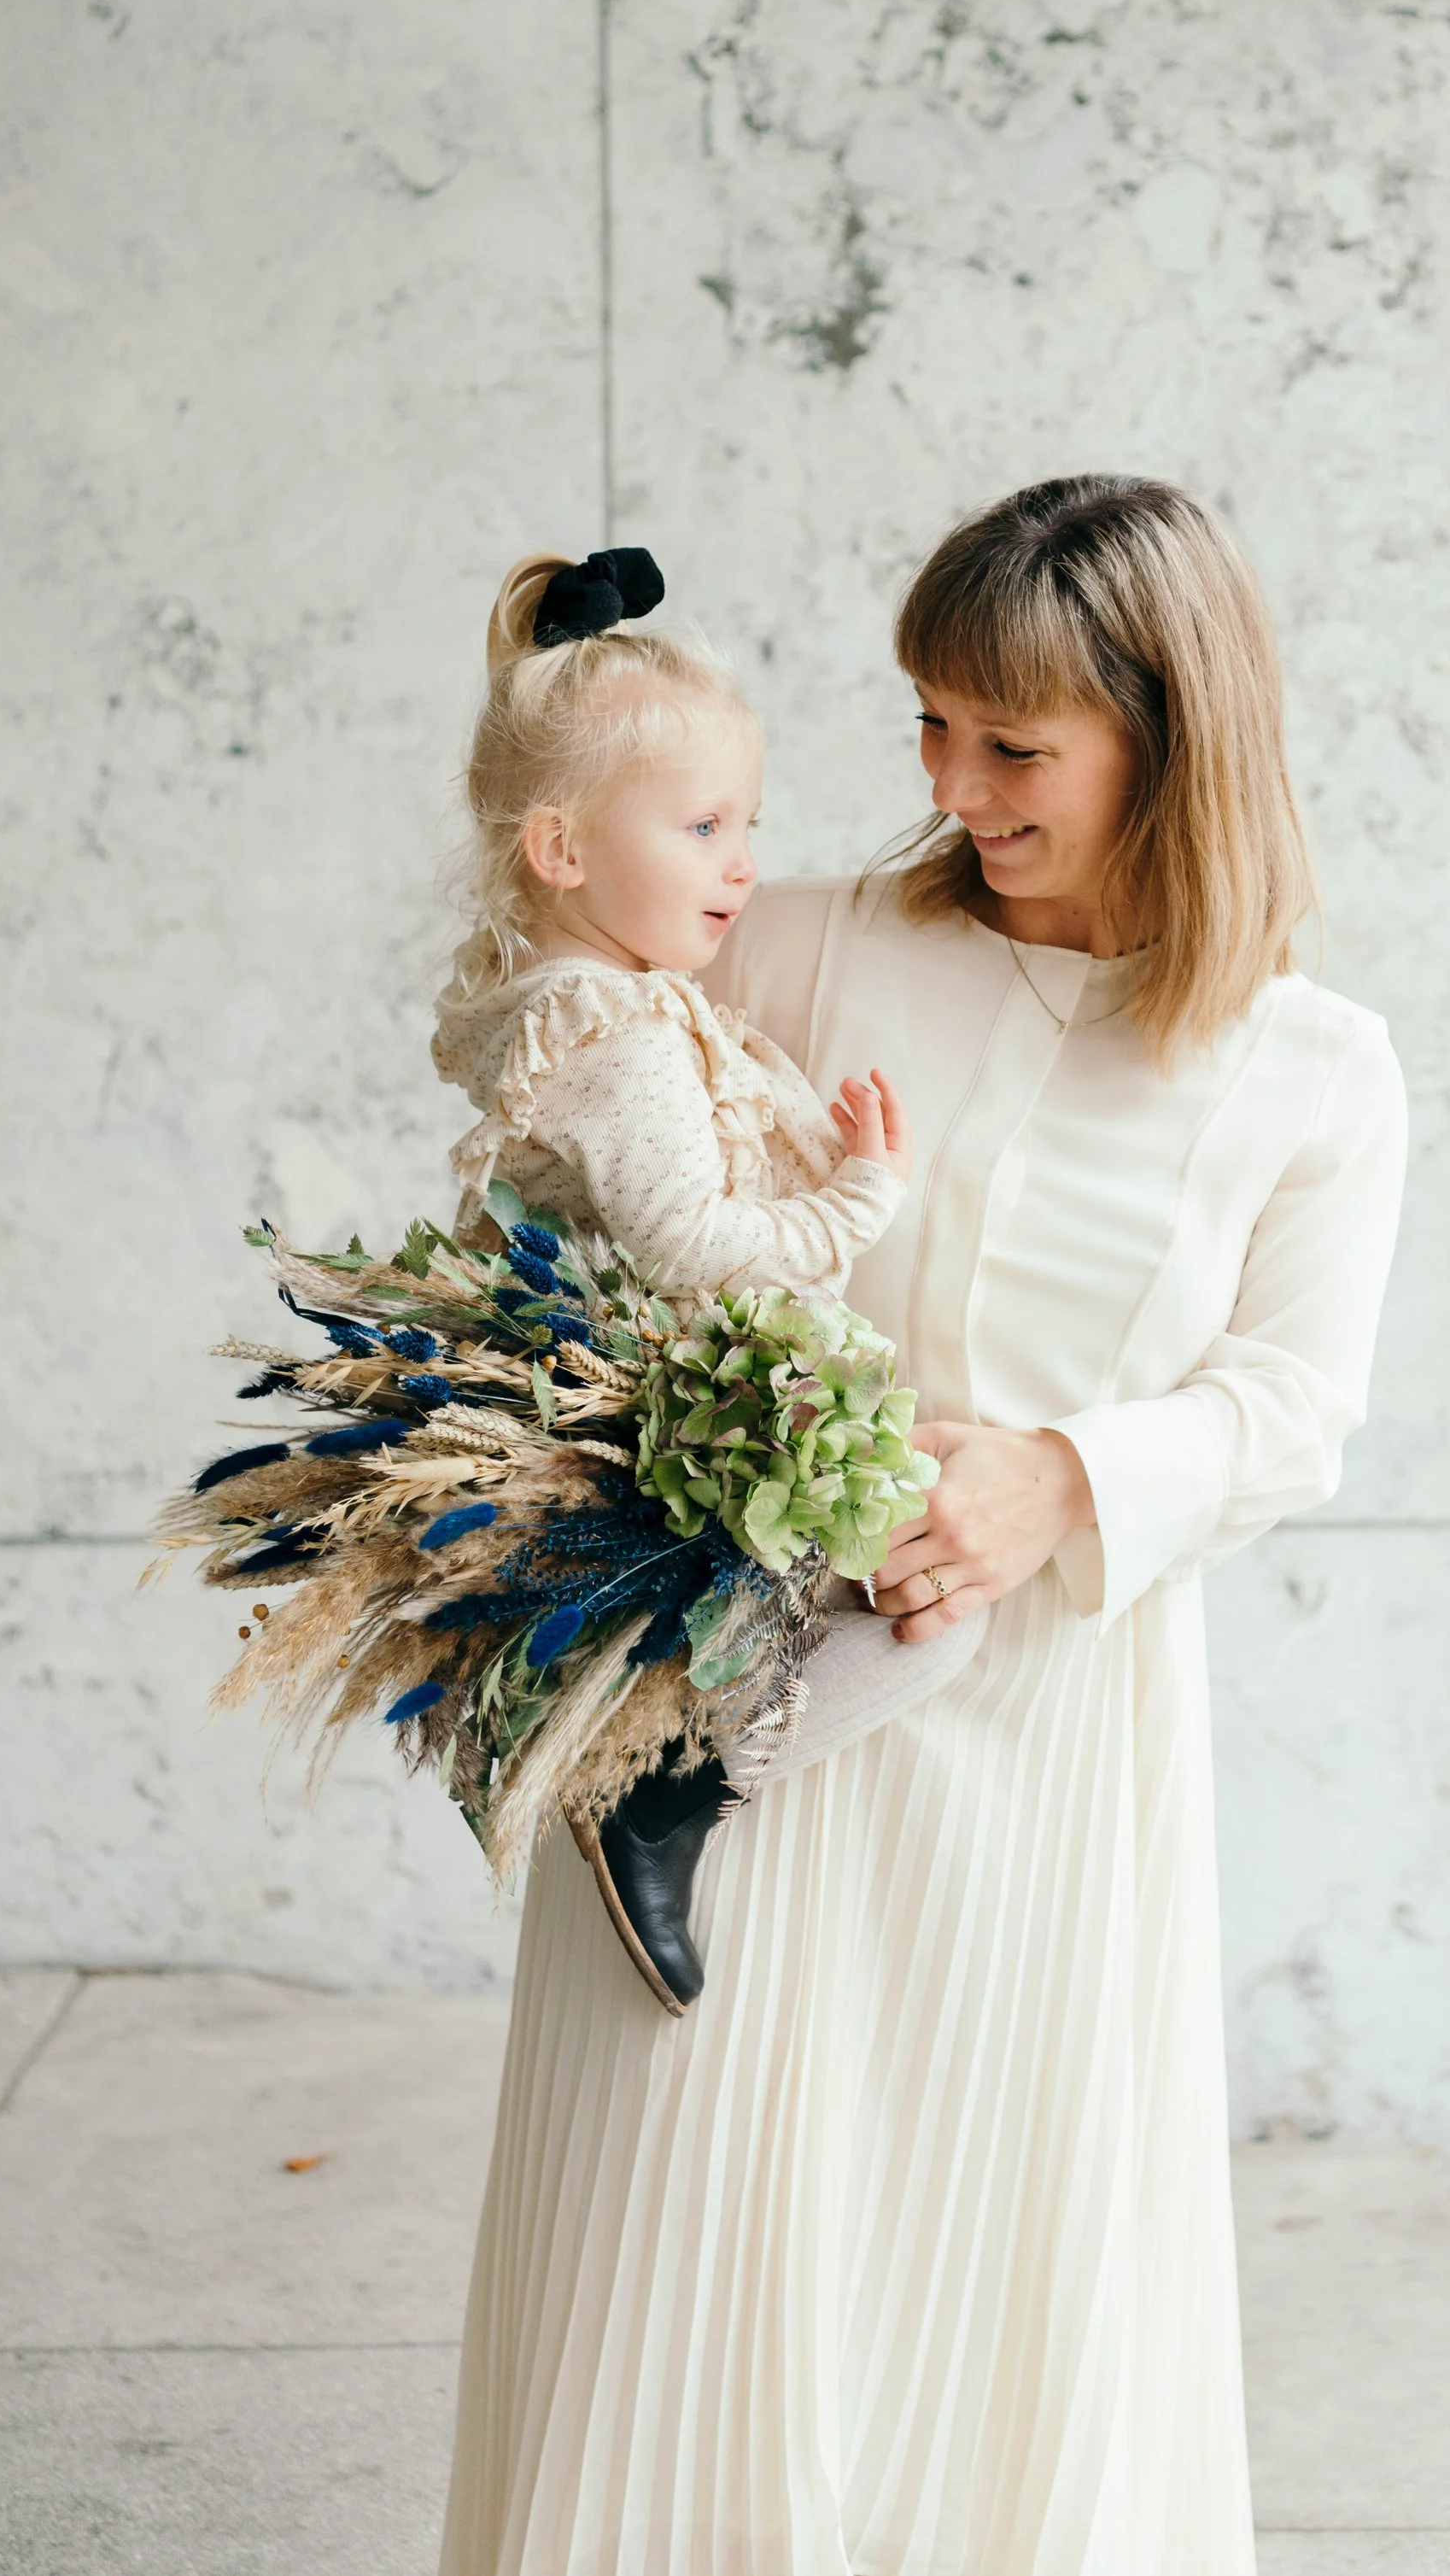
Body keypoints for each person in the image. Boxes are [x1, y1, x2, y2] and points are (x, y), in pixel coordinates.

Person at [440, 474, 1408, 2576]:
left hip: (1048, 1749)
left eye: (1012, 744)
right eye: (929, 726)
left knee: (998, 2294)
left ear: (1166, 737)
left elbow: (1293, 1405)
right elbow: (571, 1162)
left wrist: (1061, 1475)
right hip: (717, 1735)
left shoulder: (1316, 1071)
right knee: (669, 2285)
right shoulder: (788, 944)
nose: (952, 790)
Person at [430, 541, 938, 2006]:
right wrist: (856, 1196)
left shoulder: (576, 998)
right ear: (562, 849)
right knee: (938, 1613)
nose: (744, 861)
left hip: (642, 1401)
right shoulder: (624, 1032)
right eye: (705, 823)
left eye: (748, 822)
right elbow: (696, 1248)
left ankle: (637, 1750)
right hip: (674, 1424)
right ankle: (666, 1788)